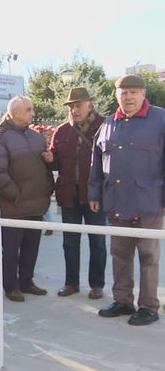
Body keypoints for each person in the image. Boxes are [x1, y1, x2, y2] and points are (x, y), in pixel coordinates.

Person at [89, 74, 165, 326]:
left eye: (134, 91)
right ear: (116, 95)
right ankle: (122, 301)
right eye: (124, 92)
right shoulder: (108, 124)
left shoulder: (160, 119)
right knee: (120, 255)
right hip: (117, 202)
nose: (129, 96)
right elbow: (96, 164)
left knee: (148, 257)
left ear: (143, 93)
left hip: (149, 203)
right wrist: (94, 193)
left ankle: (148, 306)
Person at [0, 95, 54, 302]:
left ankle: (26, 281)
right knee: (11, 250)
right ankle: (10, 286)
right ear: (15, 113)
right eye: (29, 110)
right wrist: (16, 195)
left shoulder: (36, 136)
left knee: (31, 247)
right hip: (14, 206)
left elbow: (43, 165)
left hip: (36, 204)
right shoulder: (0, 138)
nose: (33, 113)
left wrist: (47, 184)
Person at [43, 87, 106, 299]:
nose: (74, 110)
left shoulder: (105, 125)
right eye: (71, 106)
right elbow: (57, 163)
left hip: (95, 196)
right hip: (69, 195)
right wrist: (51, 160)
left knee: (97, 242)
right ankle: (71, 283)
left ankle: (97, 285)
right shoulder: (61, 131)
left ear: (90, 104)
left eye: (78, 105)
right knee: (70, 241)